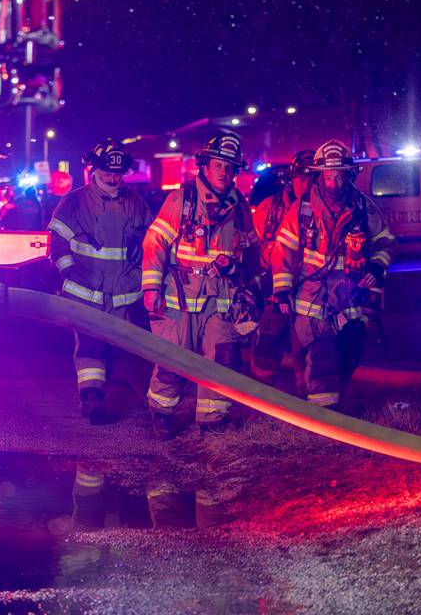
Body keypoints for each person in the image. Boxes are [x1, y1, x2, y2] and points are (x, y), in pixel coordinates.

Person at [142, 132, 259, 440]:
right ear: (205, 166)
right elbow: (155, 243)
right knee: (173, 360)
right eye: (218, 165)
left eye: (230, 167)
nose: (224, 172)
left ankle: (212, 420)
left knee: (222, 359)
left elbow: (251, 251)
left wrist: (249, 282)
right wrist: (151, 288)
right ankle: (162, 412)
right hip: (180, 298)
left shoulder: (239, 206)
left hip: (221, 301)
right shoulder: (182, 199)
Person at [271, 139, 396, 406]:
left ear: (349, 175)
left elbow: (385, 240)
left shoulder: (363, 208)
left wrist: (377, 266)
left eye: (339, 177)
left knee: (351, 348)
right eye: (328, 177)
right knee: (322, 355)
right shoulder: (302, 210)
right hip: (312, 297)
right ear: (320, 176)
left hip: (350, 297)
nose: (334, 184)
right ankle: (324, 421)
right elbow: (283, 249)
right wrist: (281, 289)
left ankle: (326, 400)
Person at [48, 139, 151, 423]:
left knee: (117, 350)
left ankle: (109, 393)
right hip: (85, 293)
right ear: (94, 168)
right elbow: (56, 241)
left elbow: (151, 241)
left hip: (124, 296)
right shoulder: (75, 201)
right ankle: (92, 399)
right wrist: (68, 271)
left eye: (117, 173)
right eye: (107, 171)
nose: (112, 177)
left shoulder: (136, 204)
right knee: (91, 347)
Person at [250, 150, 315, 388]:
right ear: (291, 179)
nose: (306, 184)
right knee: (267, 347)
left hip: (310, 292)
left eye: (313, 178)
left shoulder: (323, 210)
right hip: (274, 292)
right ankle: (260, 402)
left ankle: (306, 404)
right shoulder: (269, 208)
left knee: (307, 349)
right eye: (301, 179)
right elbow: (251, 246)